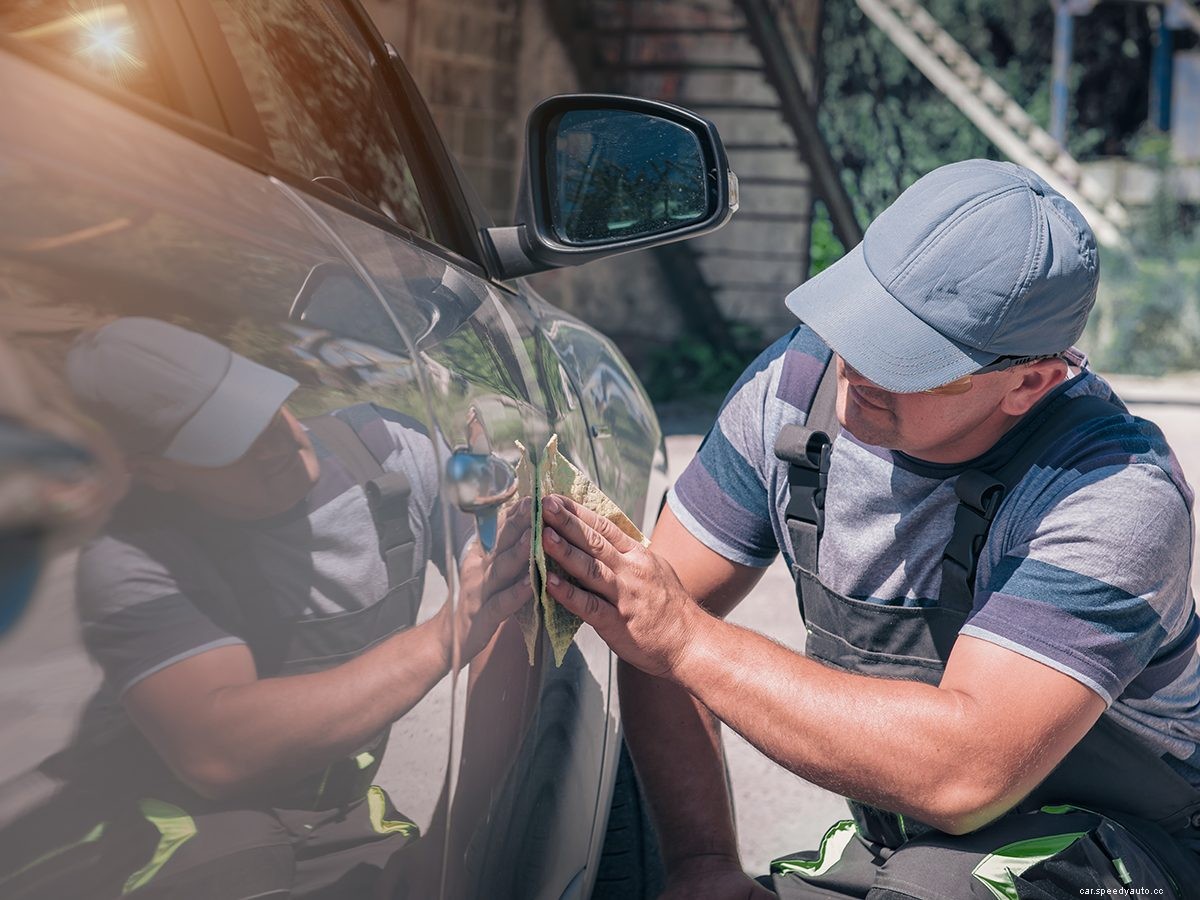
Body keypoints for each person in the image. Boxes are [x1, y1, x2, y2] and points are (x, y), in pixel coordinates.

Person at [538, 160, 1200, 898]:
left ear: (1029, 382)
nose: (859, 372)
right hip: (911, 850)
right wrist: (702, 864)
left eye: (917, 361)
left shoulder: (1110, 490)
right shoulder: (794, 395)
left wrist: (685, 638)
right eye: (864, 323)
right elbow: (651, 624)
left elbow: (965, 771)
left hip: (1123, 851)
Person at [0, 318, 531, 899]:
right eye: (225, 439)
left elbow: (507, 586)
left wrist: (459, 838)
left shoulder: (391, 448)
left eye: (259, 406)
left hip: (339, 811)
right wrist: (443, 637)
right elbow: (219, 749)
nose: (272, 442)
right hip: (178, 822)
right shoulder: (129, 557)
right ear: (153, 473)